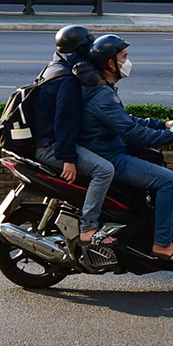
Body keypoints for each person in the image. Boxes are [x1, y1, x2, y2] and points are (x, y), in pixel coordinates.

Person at [77, 35, 173, 264]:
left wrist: (164, 124)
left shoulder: (104, 89)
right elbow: (133, 133)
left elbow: (128, 121)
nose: (128, 61)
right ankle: (162, 243)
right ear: (110, 63)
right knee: (167, 180)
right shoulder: (102, 95)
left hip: (112, 150)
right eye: (124, 57)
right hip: (110, 156)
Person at [37, 25, 114, 265]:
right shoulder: (67, 79)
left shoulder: (55, 66)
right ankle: (88, 228)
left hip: (50, 141)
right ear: (80, 49)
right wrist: (68, 158)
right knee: (104, 170)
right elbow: (64, 121)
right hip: (50, 146)